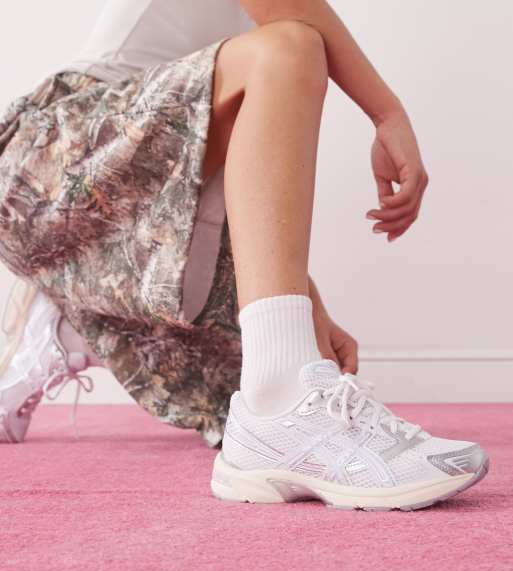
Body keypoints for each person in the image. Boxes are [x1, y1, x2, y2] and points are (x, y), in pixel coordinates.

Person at [0, 0, 488, 509]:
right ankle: (279, 398)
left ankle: (69, 327)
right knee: (291, 46)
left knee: (277, 369)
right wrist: (387, 114)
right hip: (48, 170)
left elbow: (237, 177)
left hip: (141, 204)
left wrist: (304, 304)